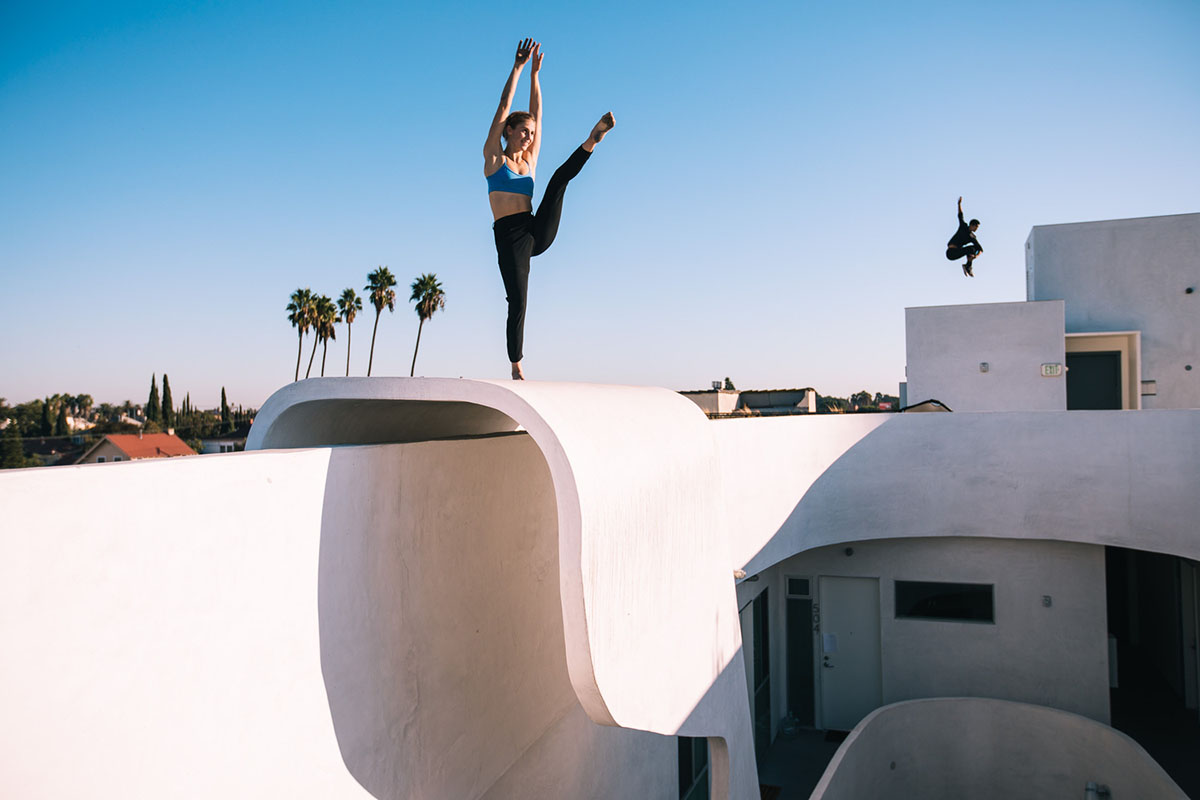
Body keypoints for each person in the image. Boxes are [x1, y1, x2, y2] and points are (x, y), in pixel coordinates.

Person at [484, 38, 615, 379]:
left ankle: (592, 140)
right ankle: (516, 363)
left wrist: (536, 77)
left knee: (557, 179)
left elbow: (538, 113)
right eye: (522, 131)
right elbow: (502, 106)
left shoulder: (529, 161)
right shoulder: (494, 160)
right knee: (518, 301)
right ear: (508, 131)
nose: (529, 137)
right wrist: (517, 68)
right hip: (510, 238)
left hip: (535, 229)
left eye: (531, 133)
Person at [946, 196, 983, 277]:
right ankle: (968, 266)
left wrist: (975, 256)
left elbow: (980, 249)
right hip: (950, 253)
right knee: (971, 249)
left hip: (958, 252)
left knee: (973, 249)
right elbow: (960, 215)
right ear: (972, 225)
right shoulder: (963, 226)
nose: (977, 229)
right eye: (976, 227)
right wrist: (959, 204)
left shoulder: (972, 237)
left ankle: (968, 266)